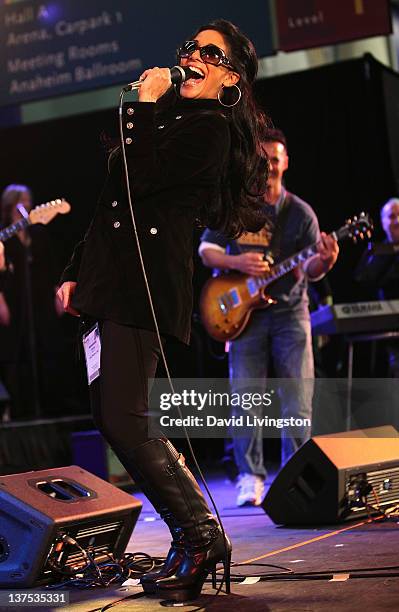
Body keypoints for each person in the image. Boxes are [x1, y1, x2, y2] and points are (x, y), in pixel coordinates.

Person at [57, 20, 269, 601]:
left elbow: (142, 179)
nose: (191, 57)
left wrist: (142, 106)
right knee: (114, 417)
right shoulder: (168, 120)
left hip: (144, 285)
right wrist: (74, 269)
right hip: (110, 282)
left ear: (231, 75)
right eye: (188, 49)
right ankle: (192, 534)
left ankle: (199, 535)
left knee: (125, 418)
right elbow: (112, 201)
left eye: (209, 52)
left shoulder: (212, 129)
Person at [199, 128, 339, 507]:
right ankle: (250, 476)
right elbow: (206, 250)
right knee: (246, 398)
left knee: (297, 397)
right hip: (245, 316)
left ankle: (295, 474)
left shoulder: (301, 213)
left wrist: (325, 260)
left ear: (286, 162)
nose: (270, 166)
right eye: (263, 160)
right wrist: (235, 261)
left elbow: (309, 268)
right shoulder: (237, 206)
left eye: (275, 159)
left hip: (291, 314)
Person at [0, 184, 65, 419]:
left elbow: (51, 264)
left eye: (29, 200)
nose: (26, 204)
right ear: (10, 204)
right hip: (13, 300)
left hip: (39, 300)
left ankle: (52, 408)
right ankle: (18, 411)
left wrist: (58, 290)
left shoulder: (37, 232)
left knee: (47, 351)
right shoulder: (4, 235)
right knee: (16, 355)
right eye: (22, 199)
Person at [355, 197, 399, 376]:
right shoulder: (377, 251)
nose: (397, 221)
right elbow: (361, 280)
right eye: (392, 216)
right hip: (388, 328)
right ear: (383, 222)